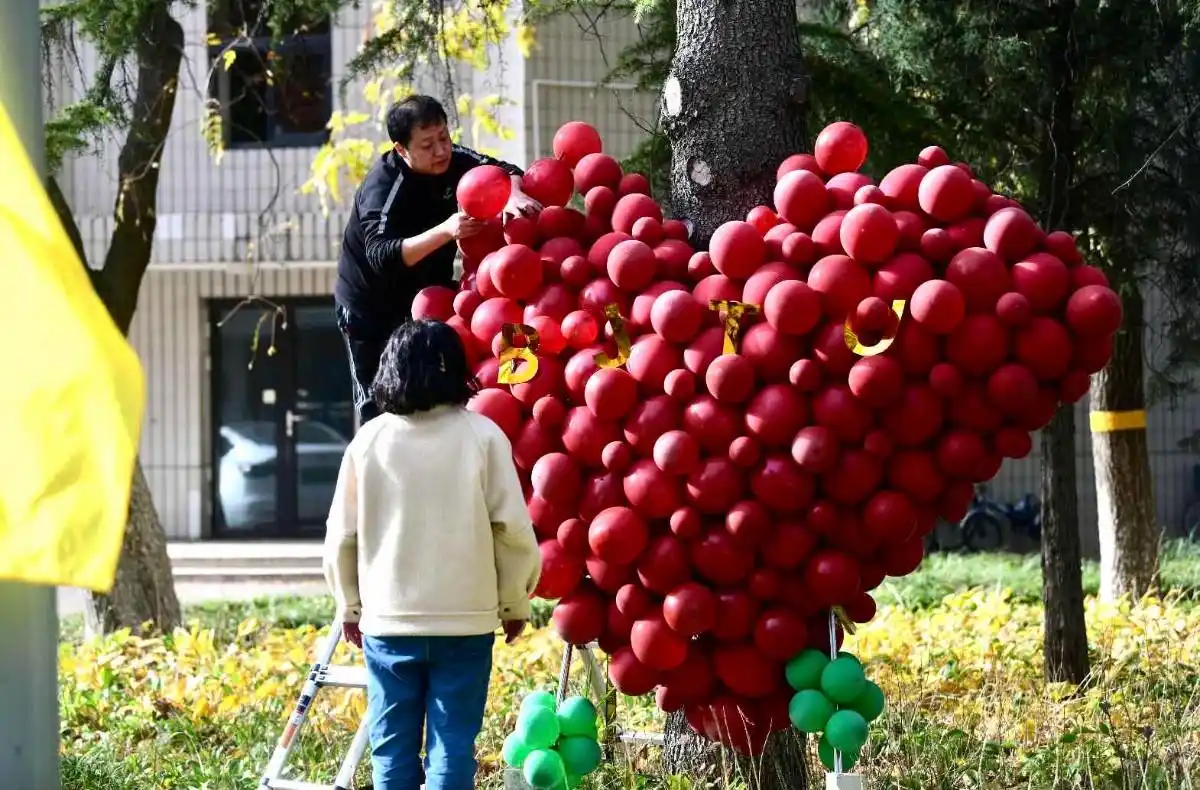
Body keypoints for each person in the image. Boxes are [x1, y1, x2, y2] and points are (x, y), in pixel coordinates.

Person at [322, 319, 541, 790]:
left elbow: (341, 535)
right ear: (455, 369)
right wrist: (514, 602)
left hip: (389, 622)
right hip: (465, 621)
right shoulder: (483, 437)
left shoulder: (369, 441)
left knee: (392, 750)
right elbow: (512, 531)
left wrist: (349, 605)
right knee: (453, 746)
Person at [335, 94, 541, 427]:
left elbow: (506, 171)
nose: (441, 151)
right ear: (402, 150)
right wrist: (446, 231)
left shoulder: (456, 160)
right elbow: (380, 255)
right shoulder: (383, 185)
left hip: (428, 299)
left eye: (444, 138)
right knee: (381, 403)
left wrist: (512, 195)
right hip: (369, 308)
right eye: (427, 145)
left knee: (434, 389)